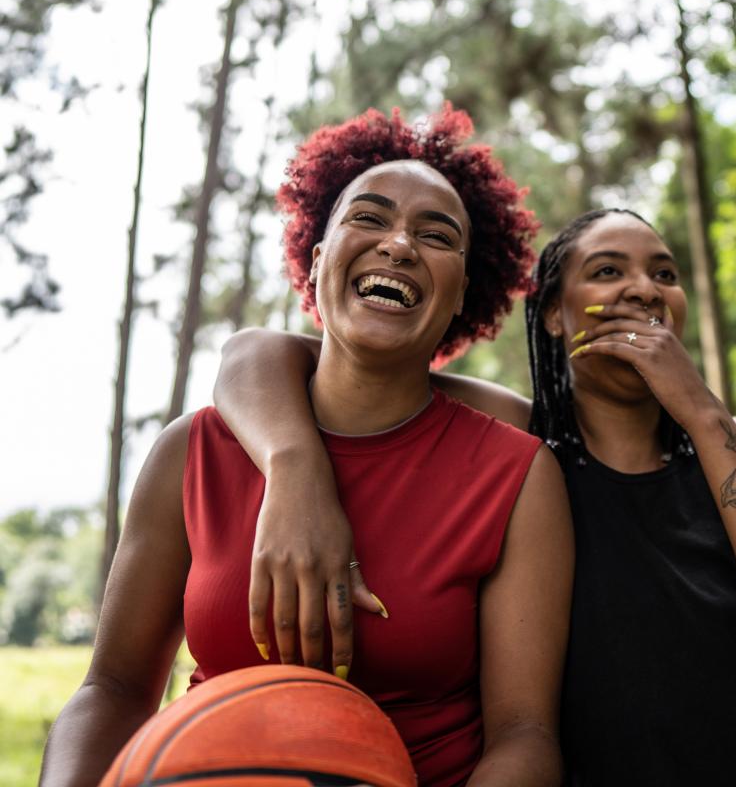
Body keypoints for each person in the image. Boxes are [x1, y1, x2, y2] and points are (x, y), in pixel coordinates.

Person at [213, 205, 736, 785]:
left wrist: (699, 409)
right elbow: (260, 354)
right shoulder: (526, 447)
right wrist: (294, 469)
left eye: (664, 274)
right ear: (554, 314)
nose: (644, 289)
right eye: (608, 272)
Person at [39, 107, 574, 787]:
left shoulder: (517, 475)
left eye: (436, 235)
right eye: (369, 218)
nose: (400, 245)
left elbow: (525, 736)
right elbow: (112, 687)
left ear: (462, 291)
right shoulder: (195, 450)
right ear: (318, 259)